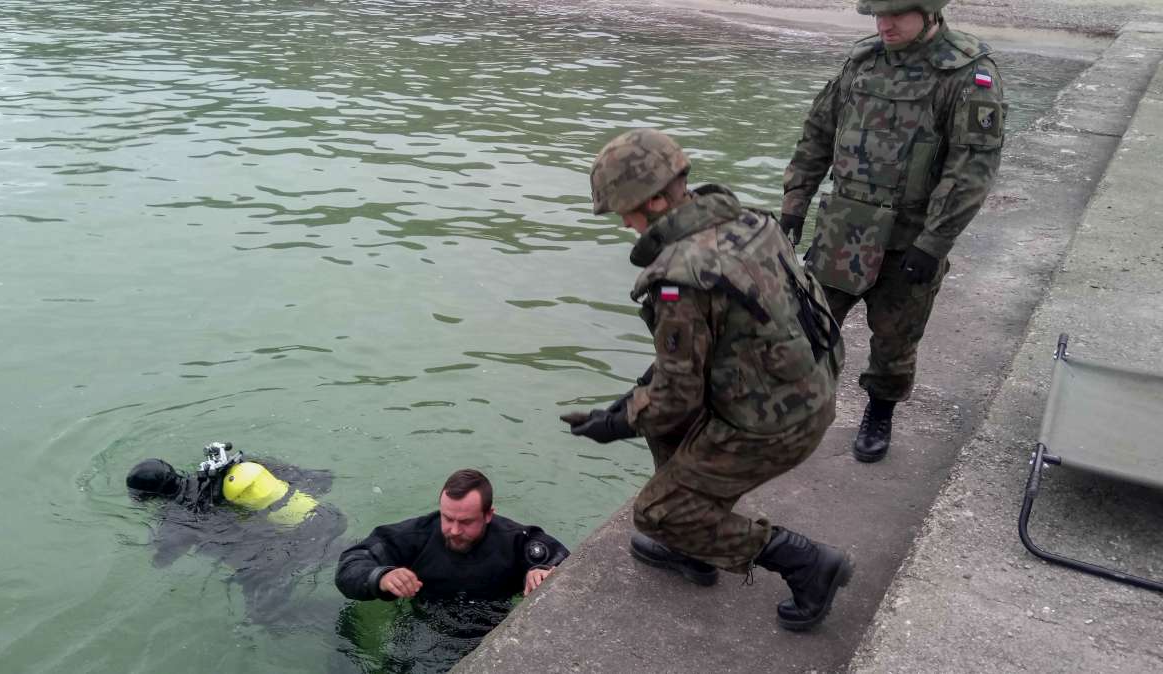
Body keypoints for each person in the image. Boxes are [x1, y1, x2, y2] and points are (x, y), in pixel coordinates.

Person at [561, 128, 852, 631]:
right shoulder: (750, 221)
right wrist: (634, 401)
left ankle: (804, 562)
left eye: (625, 210)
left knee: (657, 513)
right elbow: (719, 342)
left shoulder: (681, 276)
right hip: (808, 390)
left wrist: (615, 422)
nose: (625, 223)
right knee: (656, 419)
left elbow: (676, 398)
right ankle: (694, 549)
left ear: (655, 201)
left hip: (774, 424)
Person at [779, 0, 1006, 463]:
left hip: (909, 241)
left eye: (896, 15)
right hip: (844, 227)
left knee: (895, 340)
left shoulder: (967, 74)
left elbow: (970, 170)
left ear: (929, 13)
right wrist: (794, 205)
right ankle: (799, 408)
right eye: (878, 16)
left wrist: (934, 243)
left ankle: (879, 413)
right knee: (808, 325)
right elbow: (818, 133)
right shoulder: (863, 62)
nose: (884, 25)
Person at [126, 442, 347, 626]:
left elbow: (162, 560)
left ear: (150, 498)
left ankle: (340, 617)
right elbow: (323, 480)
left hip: (265, 563)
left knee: (265, 617)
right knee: (345, 556)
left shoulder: (175, 520)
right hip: (314, 527)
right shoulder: (222, 477)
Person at [335, 468, 568, 602]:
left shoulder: (516, 540)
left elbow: (567, 563)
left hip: (496, 624)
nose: (454, 530)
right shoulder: (416, 535)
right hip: (426, 626)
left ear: (488, 515)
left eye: (466, 522)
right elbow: (349, 565)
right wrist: (382, 577)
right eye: (447, 518)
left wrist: (542, 573)